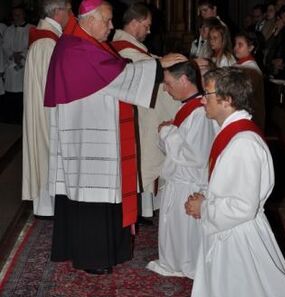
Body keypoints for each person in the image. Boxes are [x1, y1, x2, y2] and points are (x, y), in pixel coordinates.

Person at [44, 0, 185, 275]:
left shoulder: (82, 42)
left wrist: (156, 65)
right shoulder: (76, 47)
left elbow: (115, 68)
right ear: (89, 19)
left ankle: (106, 250)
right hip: (88, 137)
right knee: (92, 197)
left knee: (100, 195)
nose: (111, 26)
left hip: (94, 131)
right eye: (107, 21)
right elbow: (118, 75)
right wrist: (158, 66)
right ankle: (93, 257)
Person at [185, 67, 285, 297]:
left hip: (239, 236)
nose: (201, 100)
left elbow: (243, 207)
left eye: (207, 94)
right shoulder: (231, 133)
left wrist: (205, 208)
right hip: (229, 229)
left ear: (227, 99)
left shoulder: (244, 143)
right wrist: (206, 198)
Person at [146, 61, 216, 279]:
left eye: (168, 83)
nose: (166, 89)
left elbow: (195, 155)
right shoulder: (186, 107)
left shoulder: (199, 113)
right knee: (174, 230)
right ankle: (175, 262)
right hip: (179, 180)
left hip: (190, 182)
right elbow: (175, 147)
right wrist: (167, 132)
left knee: (185, 232)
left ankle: (188, 265)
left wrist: (167, 132)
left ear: (184, 80)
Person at [112, 2, 180, 224]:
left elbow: (149, 62)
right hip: (136, 117)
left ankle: (145, 209)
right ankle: (141, 210)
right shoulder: (123, 47)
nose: (149, 31)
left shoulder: (132, 46)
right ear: (134, 22)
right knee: (142, 161)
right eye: (147, 25)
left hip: (142, 115)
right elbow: (144, 68)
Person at [22, 0, 72, 217]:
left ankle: (48, 205)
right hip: (48, 112)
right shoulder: (46, 43)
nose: (71, 15)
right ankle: (47, 206)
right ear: (59, 11)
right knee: (46, 151)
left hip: (44, 107)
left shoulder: (47, 38)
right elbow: (52, 85)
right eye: (69, 10)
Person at [2, 6, 33, 123]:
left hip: (25, 66)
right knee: (11, 97)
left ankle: (23, 121)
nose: (17, 17)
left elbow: (33, 45)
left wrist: (23, 54)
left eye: (19, 14)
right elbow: (4, 46)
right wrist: (12, 54)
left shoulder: (31, 29)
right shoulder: (8, 30)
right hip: (11, 66)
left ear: (24, 15)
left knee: (23, 95)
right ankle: (11, 121)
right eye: (15, 15)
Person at [234, 31, 265, 131]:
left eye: (240, 45)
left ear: (251, 48)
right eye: (235, 44)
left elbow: (244, 94)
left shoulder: (252, 69)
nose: (235, 48)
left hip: (251, 118)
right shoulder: (238, 64)